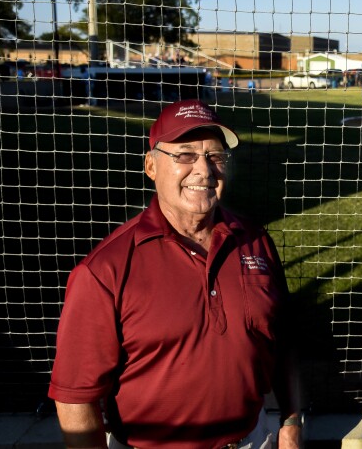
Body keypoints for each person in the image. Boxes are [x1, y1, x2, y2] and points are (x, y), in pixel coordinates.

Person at [48, 99, 303, 449]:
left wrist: (291, 423)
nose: (204, 170)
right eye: (185, 155)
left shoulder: (255, 242)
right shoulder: (105, 269)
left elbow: (283, 341)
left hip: (251, 439)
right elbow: (75, 397)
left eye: (215, 156)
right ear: (151, 165)